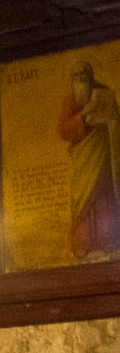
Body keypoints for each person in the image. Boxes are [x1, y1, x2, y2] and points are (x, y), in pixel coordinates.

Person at [61, 61, 120, 259]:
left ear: (90, 76)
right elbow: (63, 130)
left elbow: (116, 118)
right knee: (83, 200)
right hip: (84, 158)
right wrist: (83, 115)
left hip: (105, 154)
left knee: (104, 197)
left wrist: (109, 122)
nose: (80, 79)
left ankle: (108, 240)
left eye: (83, 75)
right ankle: (83, 243)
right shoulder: (70, 101)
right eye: (76, 76)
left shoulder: (104, 93)